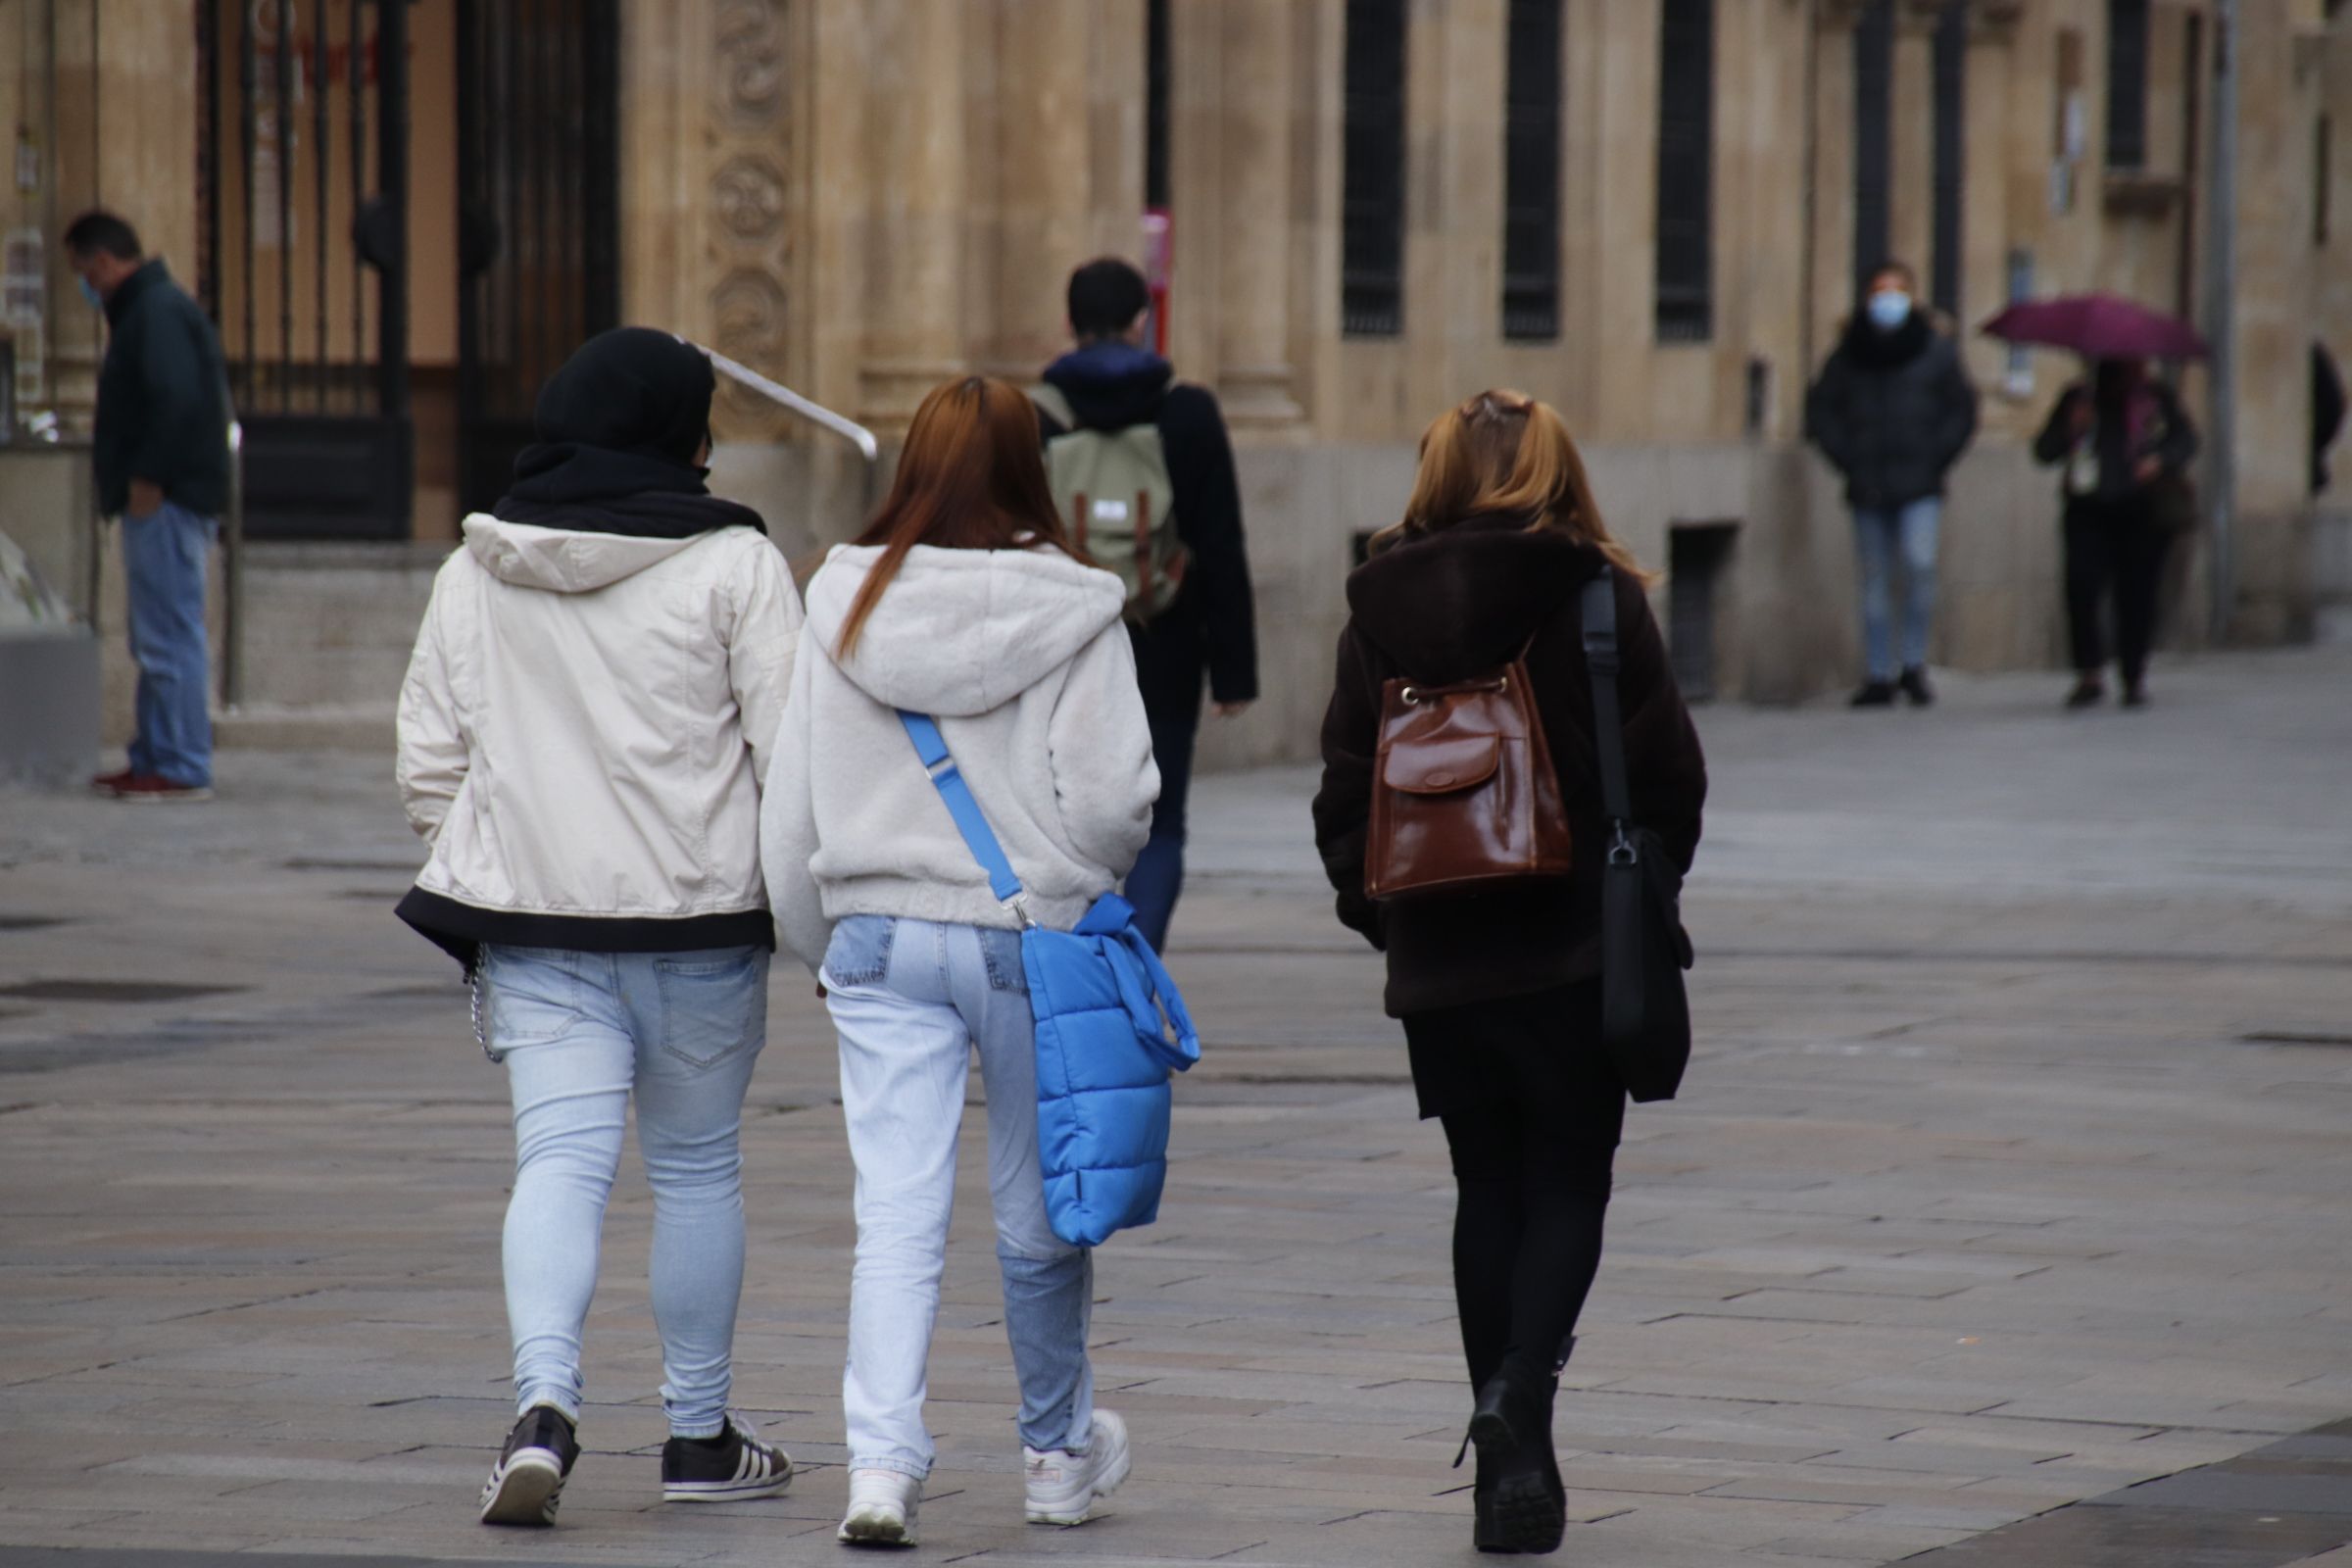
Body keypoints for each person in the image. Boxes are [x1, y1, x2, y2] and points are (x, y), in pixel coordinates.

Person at [394, 327, 802, 1527]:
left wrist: (506, 851)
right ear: (683, 432)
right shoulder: (736, 564)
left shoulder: (477, 566)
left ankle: (541, 1410)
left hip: (533, 924)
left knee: (558, 1164)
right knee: (695, 1168)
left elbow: (429, 763)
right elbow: (793, 756)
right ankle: (697, 1436)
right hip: (698, 924)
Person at [760, 377, 1158, 1548]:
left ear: (916, 466)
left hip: (879, 935)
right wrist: (1065, 881)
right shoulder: (1080, 609)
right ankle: (1053, 1453)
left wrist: (816, 941)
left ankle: (881, 1468)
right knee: (1040, 1215)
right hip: (1027, 938)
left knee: (895, 1211)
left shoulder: (839, 600)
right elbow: (1114, 804)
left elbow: (791, 810)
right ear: (1034, 467)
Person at [1311, 391, 1707, 1555]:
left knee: (1485, 1188)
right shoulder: (1598, 597)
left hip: (1442, 965)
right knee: (1569, 1181)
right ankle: (1520, 1398)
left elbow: (1345, 797)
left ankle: (1510, 1475)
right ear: (1554, 469)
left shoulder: (1375, 609)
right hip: (1576, 952)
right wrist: (1639, 891)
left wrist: (1390, 921)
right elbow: (1672, 779)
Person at [1031, 258, 1256, 952]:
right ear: (1141, 320)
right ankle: (1136, 961)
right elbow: (1219, 539)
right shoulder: (1186, 411)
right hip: (1166, 638)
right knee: (1162, 821)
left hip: (1065, 643)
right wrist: (1235, 669)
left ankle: (1073, 958)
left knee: (1064, 812)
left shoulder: (1038, 415)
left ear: (1070, 324)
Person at [66, 210, 232, 801]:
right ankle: (154, 755)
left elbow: (175, 400)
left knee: (169, 633)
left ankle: (181, 762)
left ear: (104, 262)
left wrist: (148, 480)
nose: (85, 284)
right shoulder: (150, 310)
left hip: (166, 499)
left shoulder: (154, 312)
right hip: (164, 496)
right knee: (155, 634)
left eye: (84, 271)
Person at [1804, 260, 1981, 709]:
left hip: (1920, 481)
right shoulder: (1849, 353)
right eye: (1880, 290)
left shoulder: (1935, 351)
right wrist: (1848, 458)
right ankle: (1879, 673)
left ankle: (1914, 665)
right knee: (1875, 580)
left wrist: (1935, 456)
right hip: (1869, 482)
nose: (1888, 300)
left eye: (1897, 290)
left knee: (1920, 567)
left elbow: (1962, 409)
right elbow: (1821, 410)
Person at [2033, 357, 2198, 709]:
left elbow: (2185, 440)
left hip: (2142, 509)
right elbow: (2044, 450)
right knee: (2082, 586)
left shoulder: (2154, 398)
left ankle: (2133, 672)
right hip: (2087, 508)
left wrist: (2159, 459)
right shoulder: (2078, 398)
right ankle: (2089, 671)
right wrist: (2070, 428)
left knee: (2137, 594)